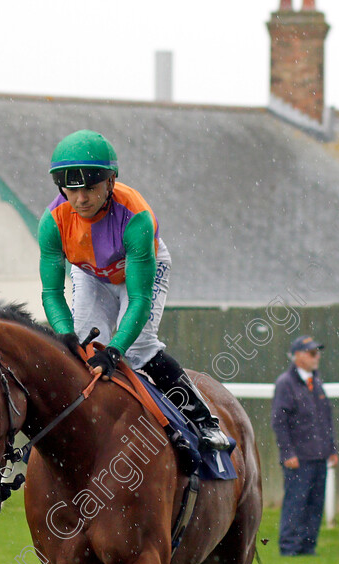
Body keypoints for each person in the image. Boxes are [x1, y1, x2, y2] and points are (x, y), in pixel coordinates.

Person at [38, 129, 229, 451]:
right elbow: (51, 293)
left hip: (137, 275)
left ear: (111, 182)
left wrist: (115, 351)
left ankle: (204, 422)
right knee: (82, 345)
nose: (81, 199)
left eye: (90, 188)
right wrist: (64, 333)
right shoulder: (52, 222)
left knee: (139, 346)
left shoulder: (136, 216)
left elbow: (139, 300)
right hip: (90, 273)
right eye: (72, 190)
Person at [271, 335, 339, 556]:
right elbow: (279, 422)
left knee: (315, 504)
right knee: (296, 503)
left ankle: (308, 547)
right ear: (298, 356)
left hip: (319, 455)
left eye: (317, 352)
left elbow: (326, 419)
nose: (316, 357)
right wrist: (288, 452)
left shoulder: (316, 382)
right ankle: (289, 548)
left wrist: (332, 449)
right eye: (311, 353)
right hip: (299, 457)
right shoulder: (286, 383)